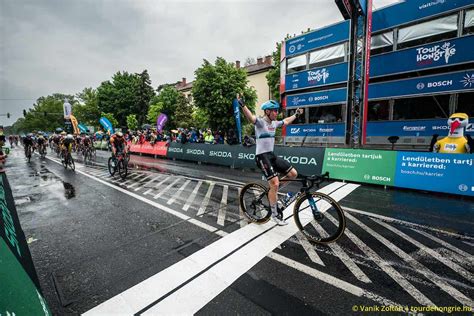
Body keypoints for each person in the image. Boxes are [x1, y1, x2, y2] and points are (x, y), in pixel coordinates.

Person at [239, 97, 303, 225]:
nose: (276, 113)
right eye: (274, 111)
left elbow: (285, 121)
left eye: (276, 111)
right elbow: (251, 118)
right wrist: (242, 105)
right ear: (267, 112)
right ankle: (274, 215)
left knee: (293, 174)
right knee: (275, 183)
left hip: (271, 155)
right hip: (262, 156)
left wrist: (296, 114)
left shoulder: (274, 124)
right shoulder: (261, 123)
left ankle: (273, 190)